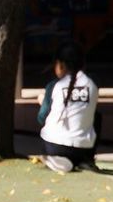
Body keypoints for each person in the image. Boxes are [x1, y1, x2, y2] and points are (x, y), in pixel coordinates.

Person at [38, 41, 99, 173]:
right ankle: (86, 160)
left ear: (60, 65)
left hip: (53, 146)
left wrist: (42, 101)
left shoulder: (54, 86)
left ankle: (58, 160)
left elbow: (42, 118)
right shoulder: (92, 85)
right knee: (97, 116)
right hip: (83, 149)